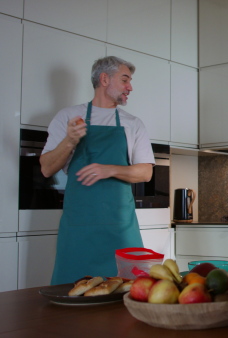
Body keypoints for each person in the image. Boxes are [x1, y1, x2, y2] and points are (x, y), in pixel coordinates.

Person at [40, 56, 155, 285]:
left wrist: (109, 169)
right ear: (104, 79)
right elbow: (46, 168)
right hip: (79, 228)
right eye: (125, 80)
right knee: (71, 292)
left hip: (121, 227)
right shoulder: (68, 117)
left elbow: (145, 173)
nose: (130, 87)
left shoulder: (133, 123)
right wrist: (70, 140)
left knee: (128, 294)